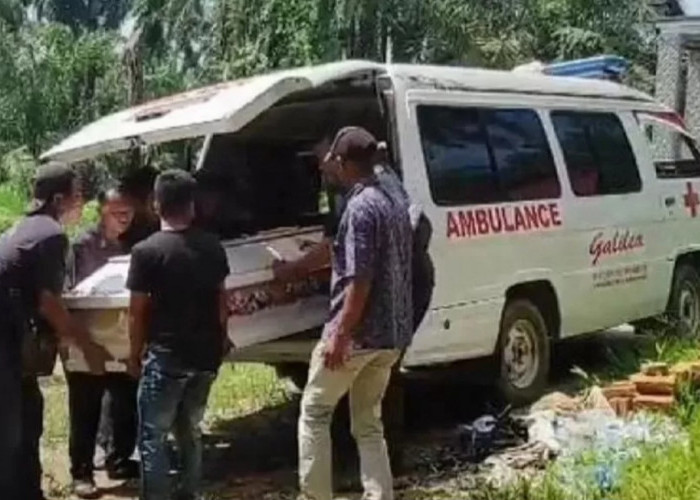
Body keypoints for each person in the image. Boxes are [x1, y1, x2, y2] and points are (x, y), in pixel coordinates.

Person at [295, 127, 413, 500]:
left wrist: (340, 334)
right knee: (368, 423)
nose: (329, 167)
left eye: (333, 161)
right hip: (391, 335)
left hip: (358, 335)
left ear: (345, 164)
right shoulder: (392, 199)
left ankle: (315, 496)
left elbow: (360, 280)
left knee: (314, 412)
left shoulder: (360, 208)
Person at [0, 163, 110, 500]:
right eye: (78, 195)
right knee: (10, 433)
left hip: (14, 344)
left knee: (30, 417)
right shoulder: (51, 234)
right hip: (5, 344)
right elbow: (49, 302)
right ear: (59, 198)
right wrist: (87, 345)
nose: (81, 202)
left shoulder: (21, 228)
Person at [126, 169, 230, 500]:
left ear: (156, 205)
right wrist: (222, 338)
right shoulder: (212, 246)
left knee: (152, 438)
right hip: (206, 356)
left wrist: (133, 354)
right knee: (190, 430)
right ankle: (190, 494)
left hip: (167, 357)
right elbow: (221, 300)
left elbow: (137, 311)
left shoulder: (146, 252)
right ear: (193, 206)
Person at [66, 186, 138, 498]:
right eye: (117, 213)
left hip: (119, 334)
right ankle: (81, 472)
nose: (124, 219)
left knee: (124, 398)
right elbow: (69, 293)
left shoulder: (130, 245)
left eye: (129, 213)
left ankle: (119, 459)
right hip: (86, 338)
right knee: (85, 406)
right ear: (101, 212)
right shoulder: (81, 245)